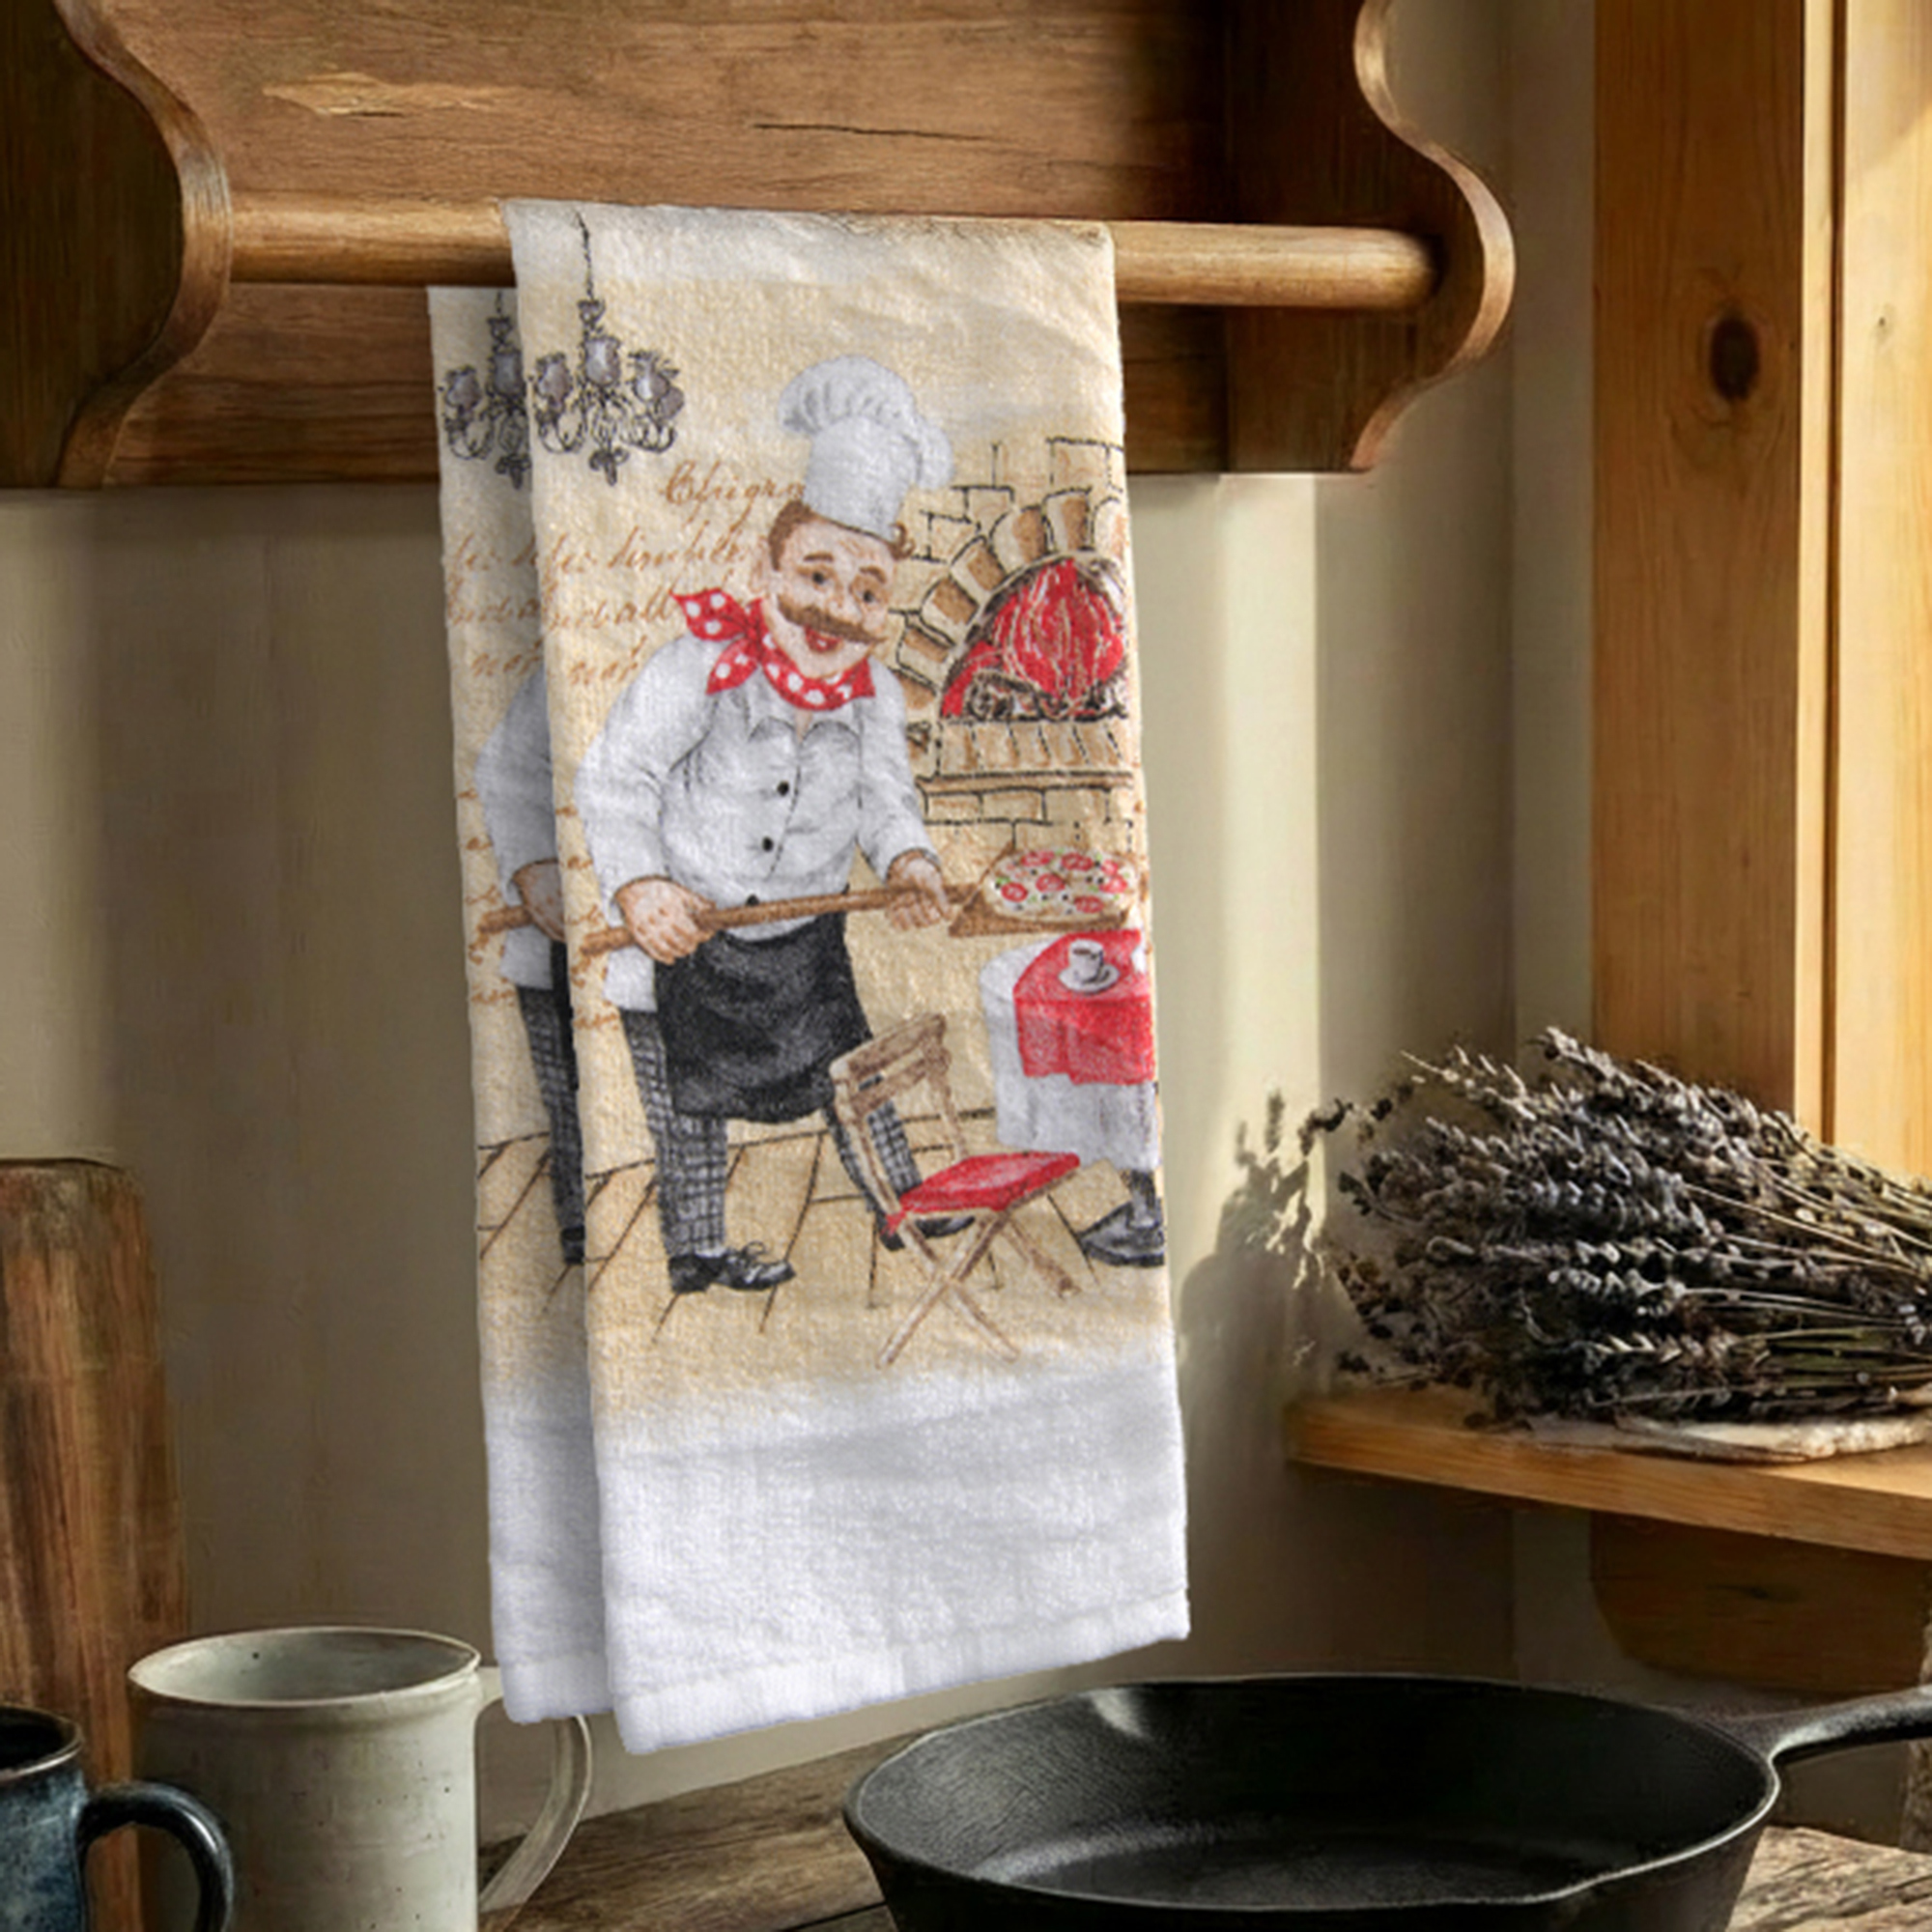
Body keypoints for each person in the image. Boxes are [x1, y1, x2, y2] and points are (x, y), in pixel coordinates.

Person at [575, 356, 964, 1294]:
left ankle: (902, 1204)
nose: (837, 608)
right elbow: (616, 774)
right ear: (764, 568)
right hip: (689, 937)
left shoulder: (872, 693)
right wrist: (640, 886)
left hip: (802, 940)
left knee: (852, 1070)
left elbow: (886, 800)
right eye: (816, 574)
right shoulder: (700, 664)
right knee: (687, 1106)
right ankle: (699, 1251)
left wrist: (908, 859)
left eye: (866, 590)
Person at [473, 664, 585, 1267]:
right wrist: (535, 871)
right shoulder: (562, 669)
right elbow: (507, 766)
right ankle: (580, 1218)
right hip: (559, 931)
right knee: (567, 1093)